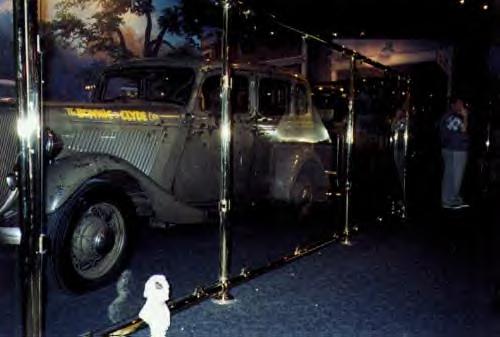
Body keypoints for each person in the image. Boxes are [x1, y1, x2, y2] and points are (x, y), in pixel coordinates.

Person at [440, 96, 470, 209]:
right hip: (456, 149)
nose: (461, 105)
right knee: (456, 175)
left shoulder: (448, 116)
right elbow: (463, 131)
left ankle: (449, 199)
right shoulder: (453, 117)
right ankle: (451, 199)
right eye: (459, 102)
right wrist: (466, 117)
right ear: (453, 105)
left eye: (462, 102)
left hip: (450, 148)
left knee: (450, 175)